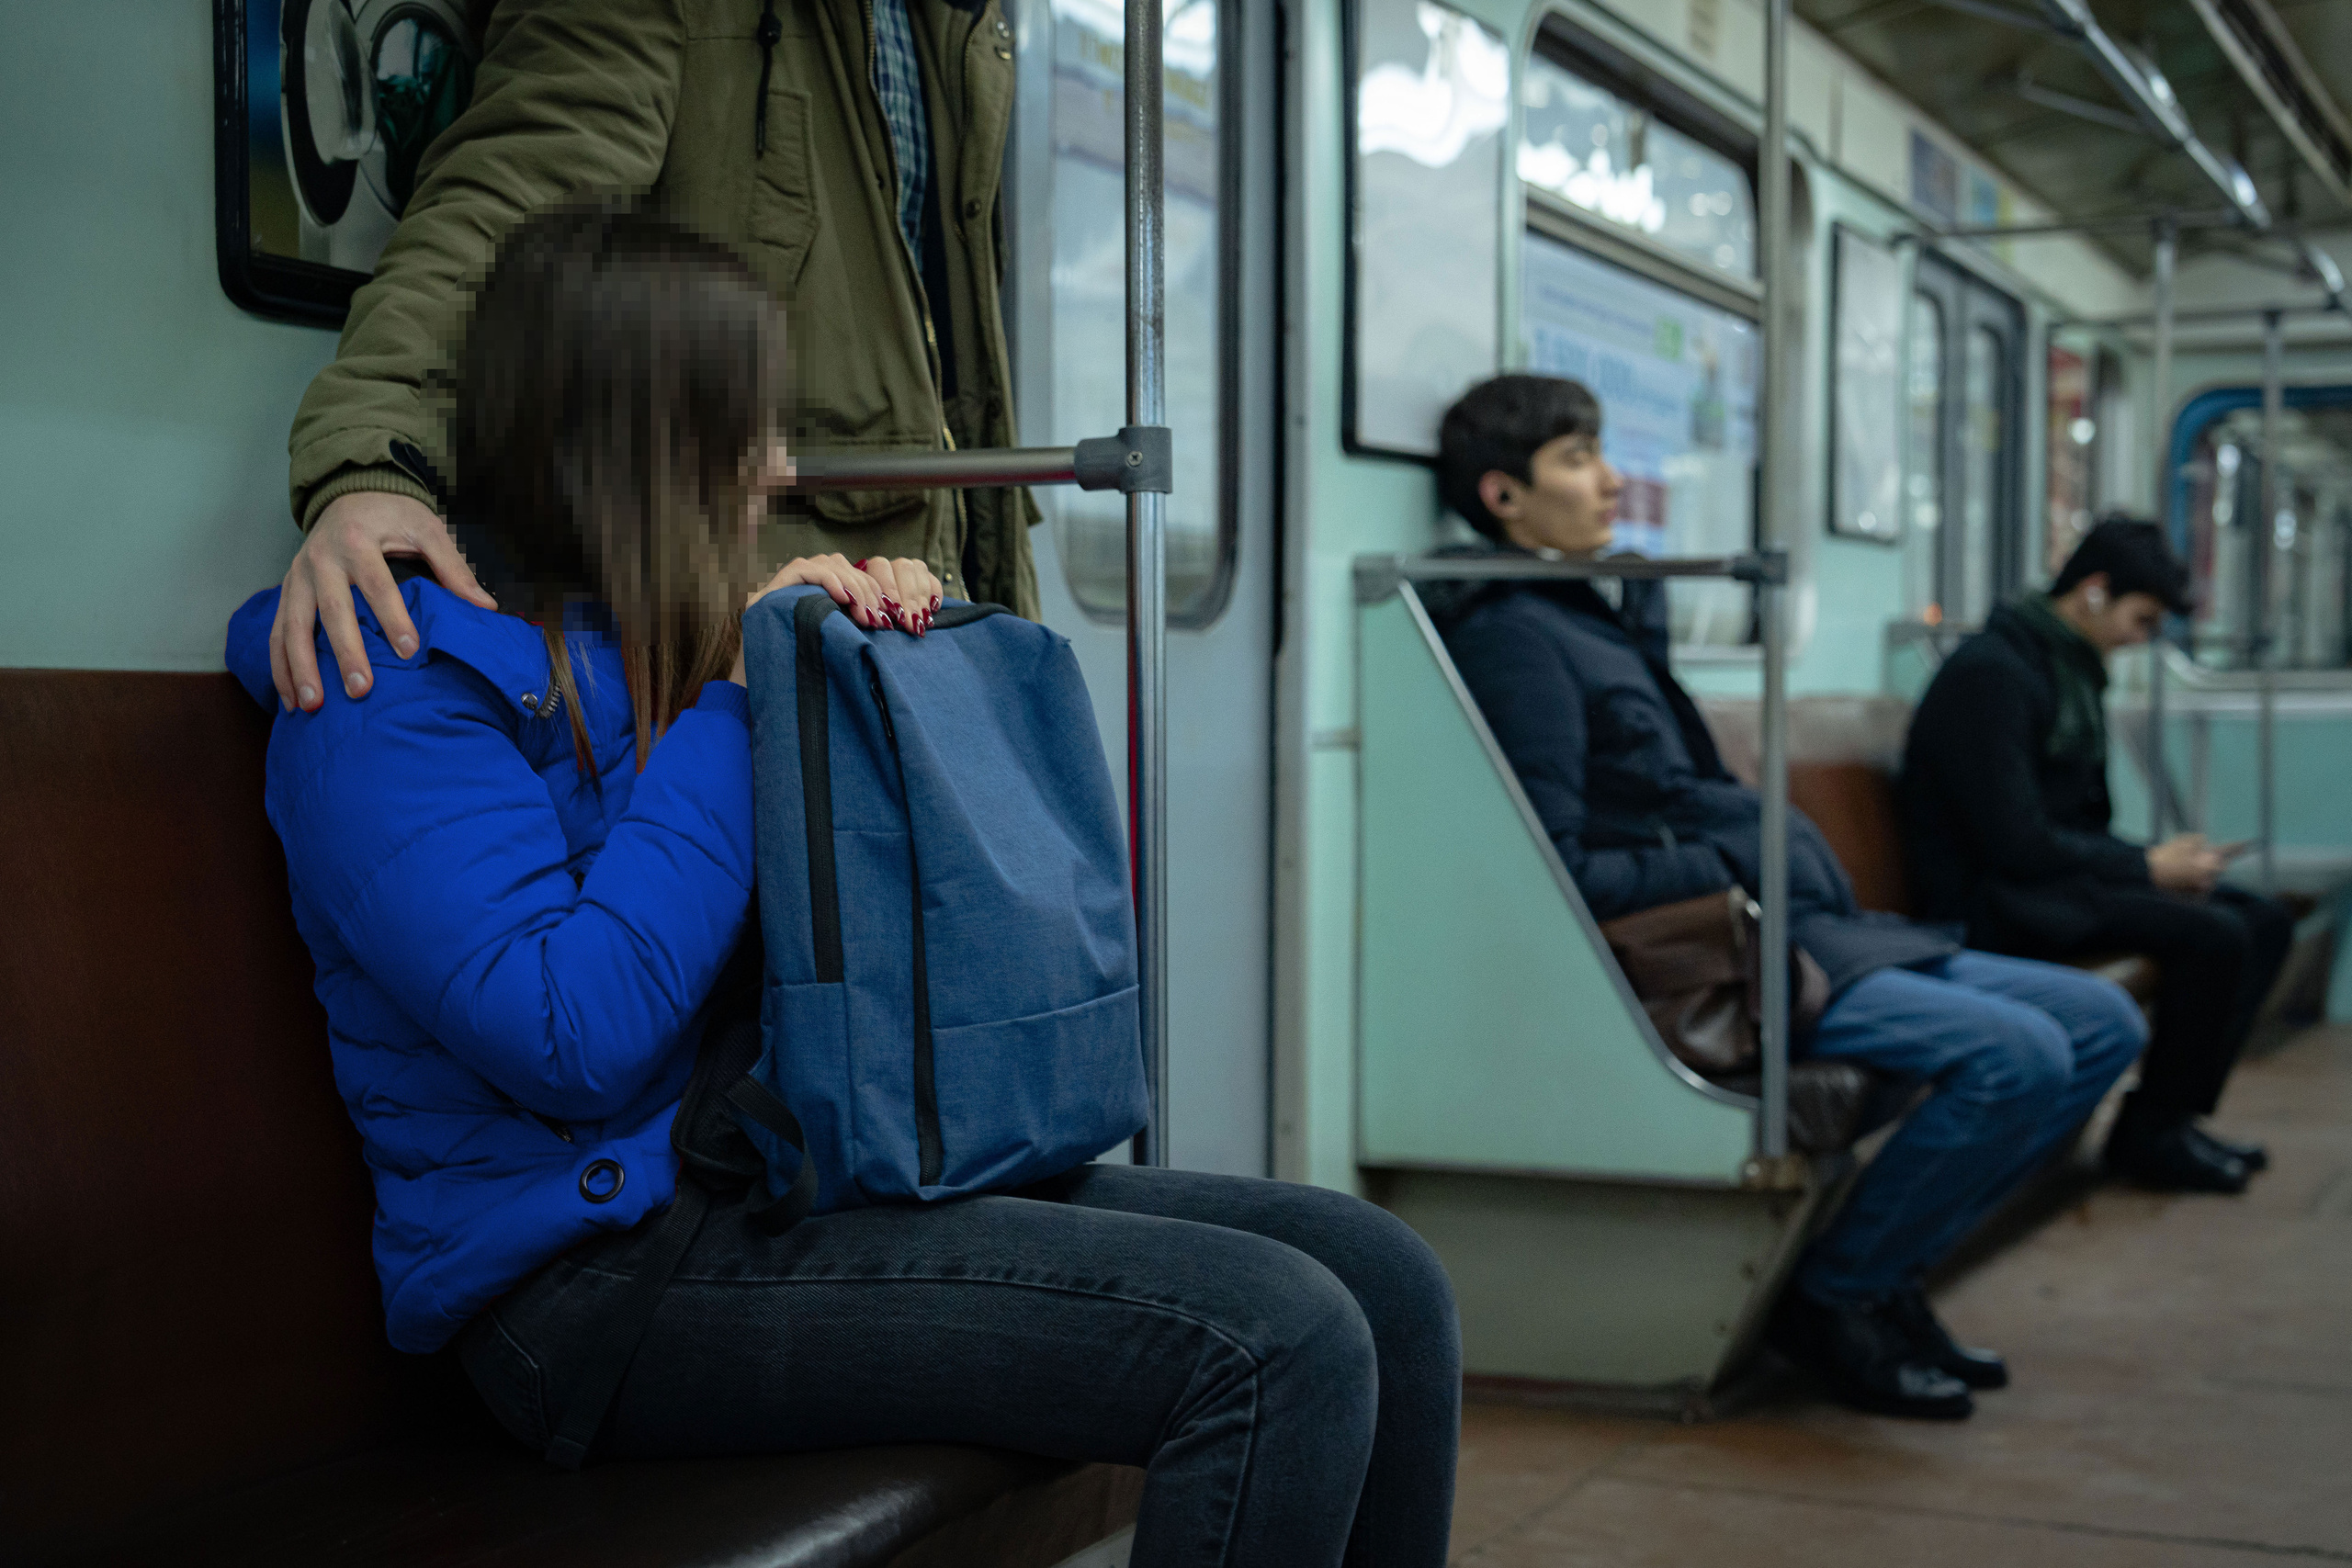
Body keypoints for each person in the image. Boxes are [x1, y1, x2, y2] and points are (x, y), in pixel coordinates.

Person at [222, 205, 1459, 1568]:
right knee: (1274, 1338)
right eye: (746, 427)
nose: (776, 466)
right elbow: (573, 1035)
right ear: (653, 445)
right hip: (583, 1282)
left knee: (1385, 1282)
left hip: (758, 1175)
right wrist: (748, 703)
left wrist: (861, 689)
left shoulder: (646, 644)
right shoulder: (382, 691)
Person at [1432, 375, 2144, 1421]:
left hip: (1808, 929)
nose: (1609, 479)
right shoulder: (1516, 642)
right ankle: (1840, 1293)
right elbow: (1564, 865)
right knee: (2020, 1055)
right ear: (1502, 495)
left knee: (2101, 1021)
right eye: (1577, 460)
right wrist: (1735, 866)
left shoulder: (1599, 616)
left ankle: (1887, 1269)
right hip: (1738, 948)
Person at [266, 0, 1041, 718]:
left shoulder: (954, 23)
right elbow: (505, 207)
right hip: (766, 649)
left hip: (919, 615)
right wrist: (373, 461)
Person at [1902, 517, 2292, 1194]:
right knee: (2215, 936)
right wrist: (2147, 869)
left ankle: (2163, 1119)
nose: (2140, 640)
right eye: (2140, 619)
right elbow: (2016, 841)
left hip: (2048, 883)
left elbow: (2080, 824)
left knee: (2262, 917)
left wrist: (2161, 861)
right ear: (2093, 590)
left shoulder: (2067, 671)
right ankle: (2151, 1136)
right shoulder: (1992, 676)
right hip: (1991, 899)